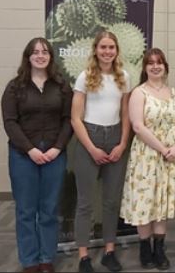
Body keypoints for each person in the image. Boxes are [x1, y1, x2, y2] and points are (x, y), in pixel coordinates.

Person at [1, 37, 72, 273]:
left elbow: (68, 120)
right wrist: (30, 149)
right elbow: (10, 122)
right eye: (35, 52)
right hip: (23, 155)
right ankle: (30, 260)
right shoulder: (15, 87)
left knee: (49, 209)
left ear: (51, 57)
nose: (40, 55)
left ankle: (46, 258)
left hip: (54, 153)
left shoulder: (61, 86)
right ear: (28, 56)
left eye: (45, 52)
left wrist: (57, 148)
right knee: (25, 210)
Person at [120, 48, 175, 270]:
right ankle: (145, 248)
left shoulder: (172, 92)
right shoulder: (139, 93)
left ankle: (159, 249)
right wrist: (163, 148)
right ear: (145, 67)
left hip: (172, 156)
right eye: (150, 63)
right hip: (147, 156)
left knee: (163, 202)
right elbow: (138, 126)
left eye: (159, 62)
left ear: (165, 66)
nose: (155, 66)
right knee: (146, 201)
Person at [70, 30, 131, 273]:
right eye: (103, 47)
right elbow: (75, 119)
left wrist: (122, 144)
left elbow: (126, 114)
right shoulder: (85, 77)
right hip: (89, 138)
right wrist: (92, 148)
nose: (107, 51)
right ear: (96, 49)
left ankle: (109, 251)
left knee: (111, 200)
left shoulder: (123, 77)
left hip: (115, 137)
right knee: (85, 202)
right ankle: (84, 255)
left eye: (111, 47)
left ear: (117, 51)